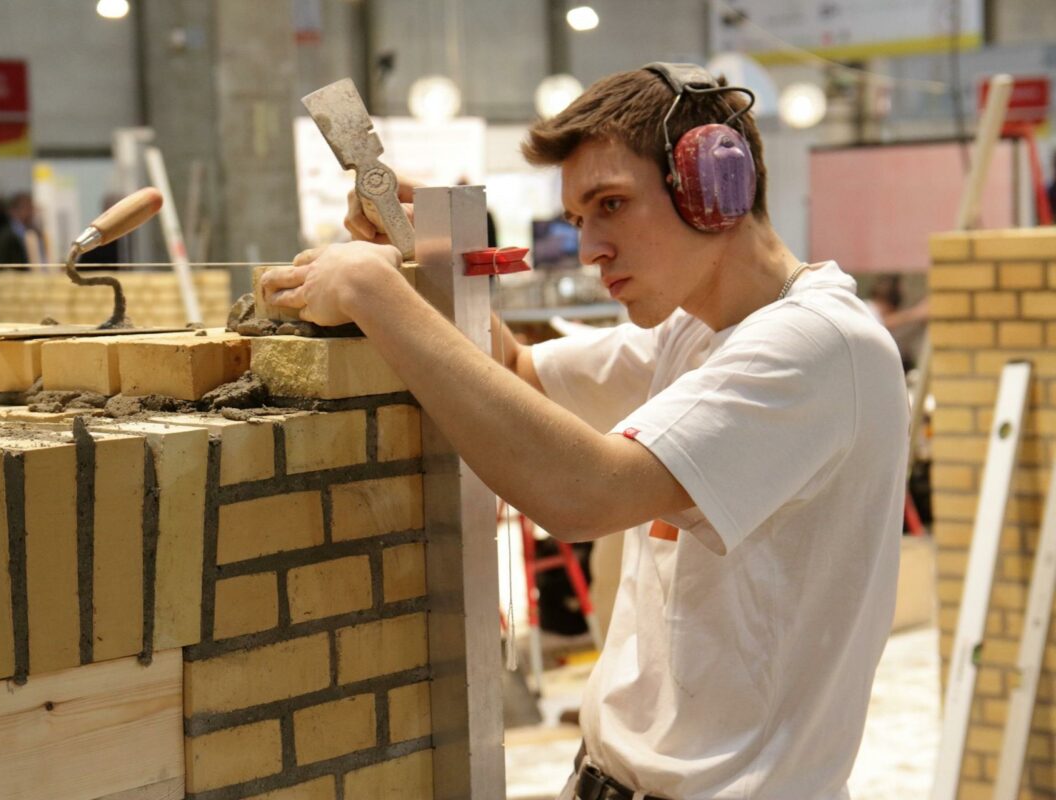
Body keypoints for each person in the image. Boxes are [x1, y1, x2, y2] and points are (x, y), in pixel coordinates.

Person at [263, 62, 908, 799]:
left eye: (612, 204)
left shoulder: (822, 345)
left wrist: (375, 291)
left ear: (715, 186)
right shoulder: (697, 333)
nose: (591, 246)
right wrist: (430, 257)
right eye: (579, 219)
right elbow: (515, 374)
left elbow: (584, 493)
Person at [0, 192, 35, 265]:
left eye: (31, 207)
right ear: (13, 211)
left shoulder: (32, 232)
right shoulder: (3, 236)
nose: (31, 212)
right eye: (26, 207)